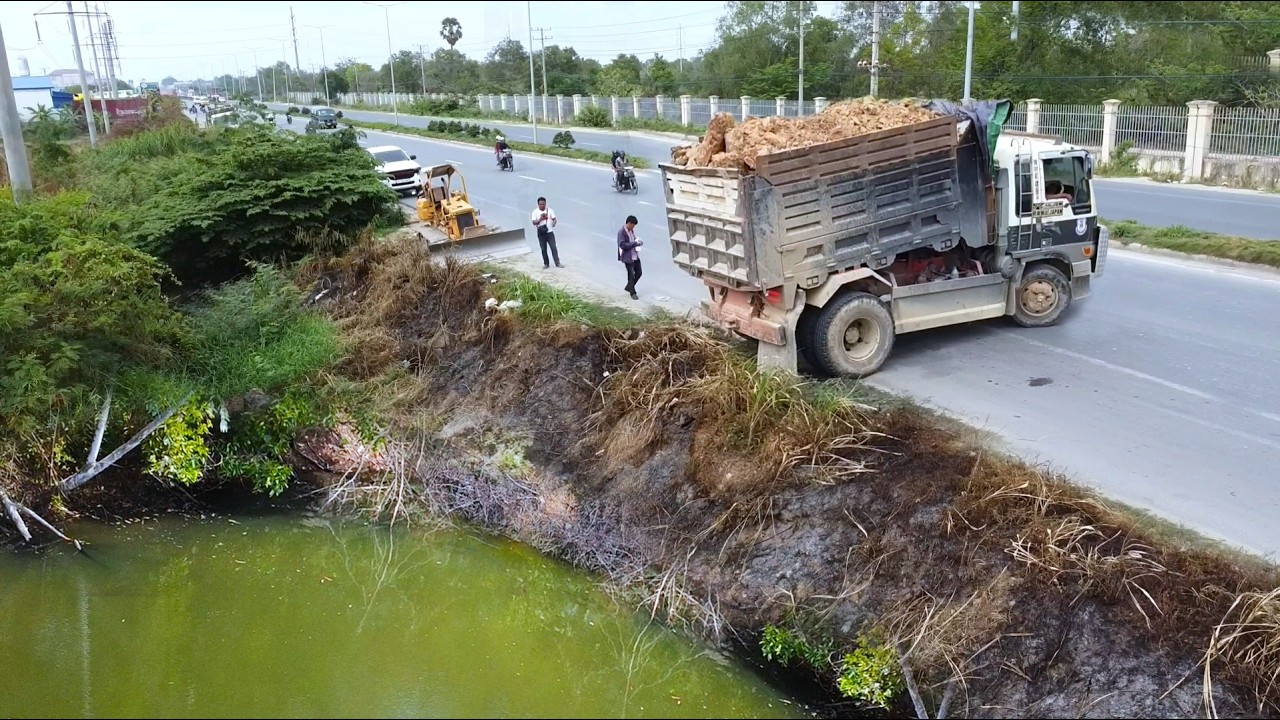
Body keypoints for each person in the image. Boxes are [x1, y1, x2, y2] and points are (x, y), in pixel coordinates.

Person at [530, 196, 562, 269]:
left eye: (543, 204)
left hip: (549, 232)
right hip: (541, 233)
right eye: (541, 204)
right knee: (543, 249)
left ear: (545, 203)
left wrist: (554, 223)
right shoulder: (535, 212)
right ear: (538, 204)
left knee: (553, 247)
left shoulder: (550, 210)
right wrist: (540, 219)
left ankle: (557, 263)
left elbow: (554, 219)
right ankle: (546, 264)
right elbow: (534, 222)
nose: (542, 205)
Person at [617, 215, 643, 300]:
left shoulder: (631, 231)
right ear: (629, 223)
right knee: (631, 275)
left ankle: (629, 286)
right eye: (632, 225)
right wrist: (634, 243)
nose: (633, 227)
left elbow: (633, 240)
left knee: (639, 273)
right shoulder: (621, 232)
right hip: (628, 257)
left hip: (635, 255)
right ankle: (633, 292)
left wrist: (637, 242)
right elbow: (622, 245)